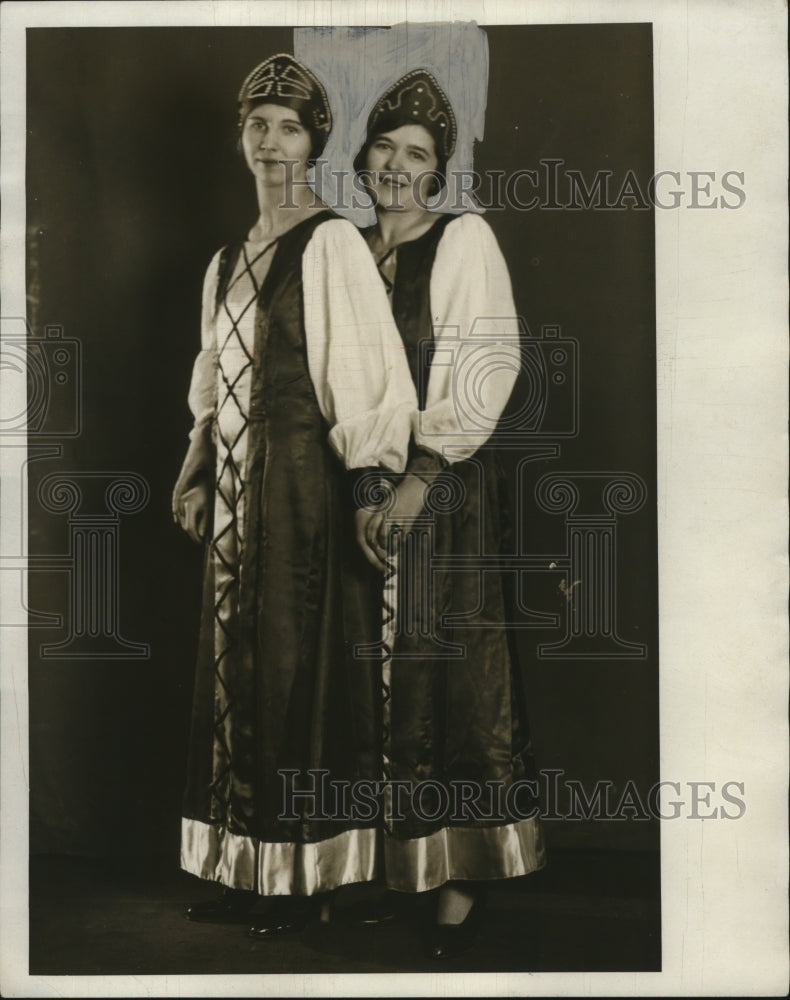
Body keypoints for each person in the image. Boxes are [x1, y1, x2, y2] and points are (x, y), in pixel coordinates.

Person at [171, 54, 417, 939]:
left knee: (298, 670)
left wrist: (370, 489)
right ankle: (248, 875)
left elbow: (366, 380)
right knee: (239, 671)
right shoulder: (228, 257)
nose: (271, 143)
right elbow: (216, 376)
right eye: (258, 125)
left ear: (315, 142)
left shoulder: (332, 244)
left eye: (289, 127)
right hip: (239, 500)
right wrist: (196, 466)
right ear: (240, 138)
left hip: (306, 497)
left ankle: (315, 882)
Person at [351, 69, 547, 959]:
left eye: (418, 155)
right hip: (358, 496)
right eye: (385, 146)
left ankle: (460, 887)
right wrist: (363, 485)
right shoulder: (343, 251)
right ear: (362, 156)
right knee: (363, 686)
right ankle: (382, 875)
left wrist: (419, 476)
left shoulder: (463, 240)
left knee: (451, 681)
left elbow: (481, 371)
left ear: (439, 173)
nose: (398, 165)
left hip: (443, 494)